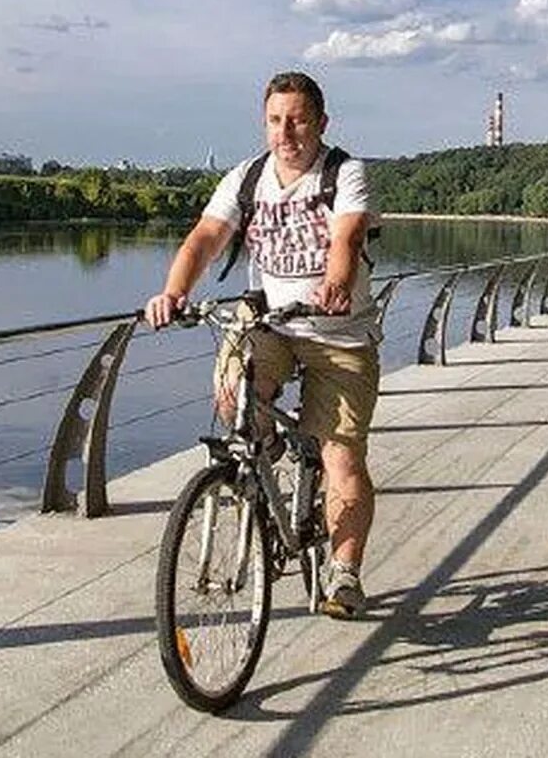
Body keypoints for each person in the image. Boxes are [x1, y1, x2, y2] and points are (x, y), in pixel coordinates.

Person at [144, 71, 381, 619]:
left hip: (337, 332)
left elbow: (346, 236)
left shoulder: (346, 174)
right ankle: (266, 464)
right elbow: (204, 237)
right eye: (276, 120)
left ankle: (344, 574)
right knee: (233, 394)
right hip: (270, 323)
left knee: (341, 456)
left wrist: (337, 286)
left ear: (321, 122)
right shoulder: (246, 178)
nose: (286, 132)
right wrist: (173, 293)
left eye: (298, 120)